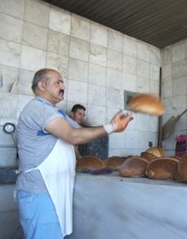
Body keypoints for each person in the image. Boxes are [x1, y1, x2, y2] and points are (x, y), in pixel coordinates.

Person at [15, 68, 133, 238]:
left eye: (62, 82)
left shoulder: (56, 112)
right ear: (41, 85)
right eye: (58, 82)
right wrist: (112, 127)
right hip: (40, 191)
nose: (63, 86)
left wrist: (113, 125)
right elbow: (72, 136)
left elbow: (80, 131)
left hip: (53, 190)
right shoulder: (38, 109)